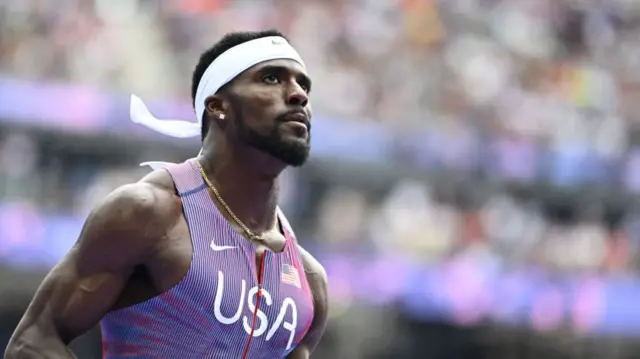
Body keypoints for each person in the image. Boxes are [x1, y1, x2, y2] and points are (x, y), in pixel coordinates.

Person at [4, 29, 328, 359]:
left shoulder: (310, 285)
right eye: (272, 78)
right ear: (217, 106)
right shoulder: (148, 214)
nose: (298, 95)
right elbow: (33, 341)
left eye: (304, 85)